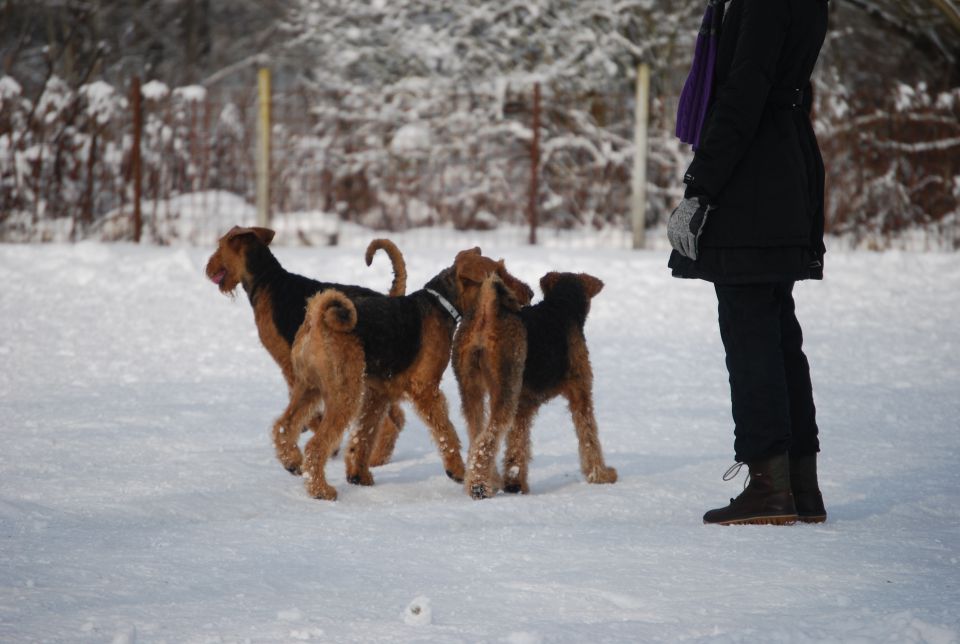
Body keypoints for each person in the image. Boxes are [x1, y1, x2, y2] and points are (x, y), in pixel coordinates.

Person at [667, 0, 830, 525]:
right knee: (779, 334)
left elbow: (742, 95)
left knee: (751, 332)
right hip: (786, 165)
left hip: (754, 180)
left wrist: (700, 188)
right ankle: (799, 486)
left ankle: (769, 486)